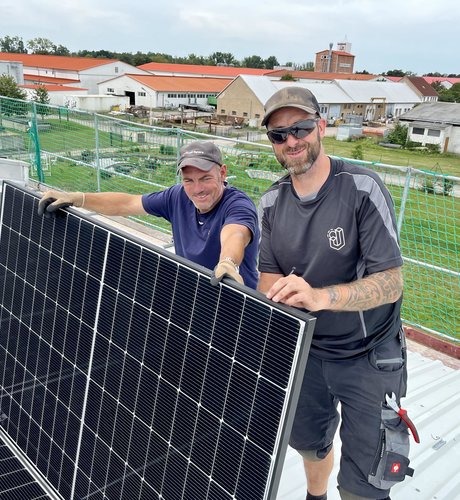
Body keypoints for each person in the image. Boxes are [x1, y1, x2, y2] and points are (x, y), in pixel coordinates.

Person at [258, 87, 414, 500]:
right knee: (311, 445)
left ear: (320, 126)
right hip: (306, 352)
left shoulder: (361, 189)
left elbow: (391, 281)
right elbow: (267, 277)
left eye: (301, 128)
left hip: (367, 355)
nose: (291, 141)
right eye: (279, 134)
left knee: (367, 477)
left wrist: (321, 297)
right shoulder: (271, 201)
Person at [38, 140, 259, 289]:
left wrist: (228, 262)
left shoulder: (237, 205)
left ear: (222, 173)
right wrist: (78, 198)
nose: (197, 189)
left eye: (205, 179)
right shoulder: (177, 197)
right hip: (194, 295)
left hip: (235, 304)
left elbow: (235, 234)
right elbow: (128, 203)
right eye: (188, 180)